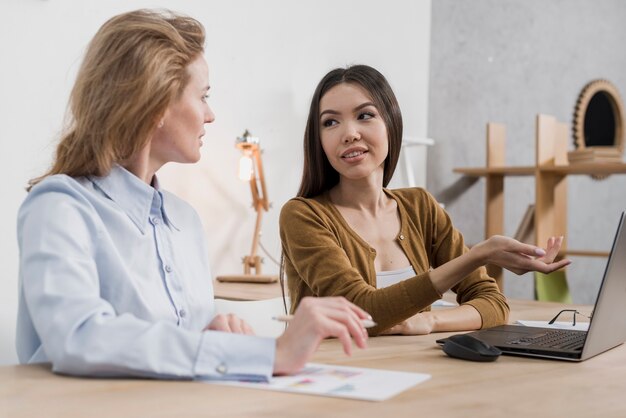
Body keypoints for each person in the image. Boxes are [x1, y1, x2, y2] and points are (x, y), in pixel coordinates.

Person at [16, 9, 371, 381]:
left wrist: (212, 334)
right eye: (203, 96)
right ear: (155, 105)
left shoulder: (184, 220)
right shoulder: (59, 206)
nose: (210, 115)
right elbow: (79, 337)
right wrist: (269, 353)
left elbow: (177, 350)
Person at [279, 64, 570, 336]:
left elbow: (494, 304)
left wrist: (428, 320)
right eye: (330, 122)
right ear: (319, 140)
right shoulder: (302, 215)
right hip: (331, 378)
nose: (349, 134)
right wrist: (477, 255)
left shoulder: (420, 207)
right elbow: (361, 311)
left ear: (391, 123)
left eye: (364, 115)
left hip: (416, 373)